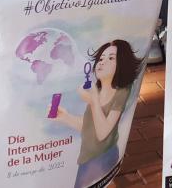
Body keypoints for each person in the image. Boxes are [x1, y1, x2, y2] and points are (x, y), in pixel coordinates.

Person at [55, 40, 143, 188]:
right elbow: (91, 127)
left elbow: (102, 133)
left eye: (111, 58)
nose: (102, 63)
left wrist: (94, 101)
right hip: (89, 158)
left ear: (122, 63)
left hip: (100, 157)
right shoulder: (98, 89)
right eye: (101, 59)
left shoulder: (122, 91)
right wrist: (64, 117)